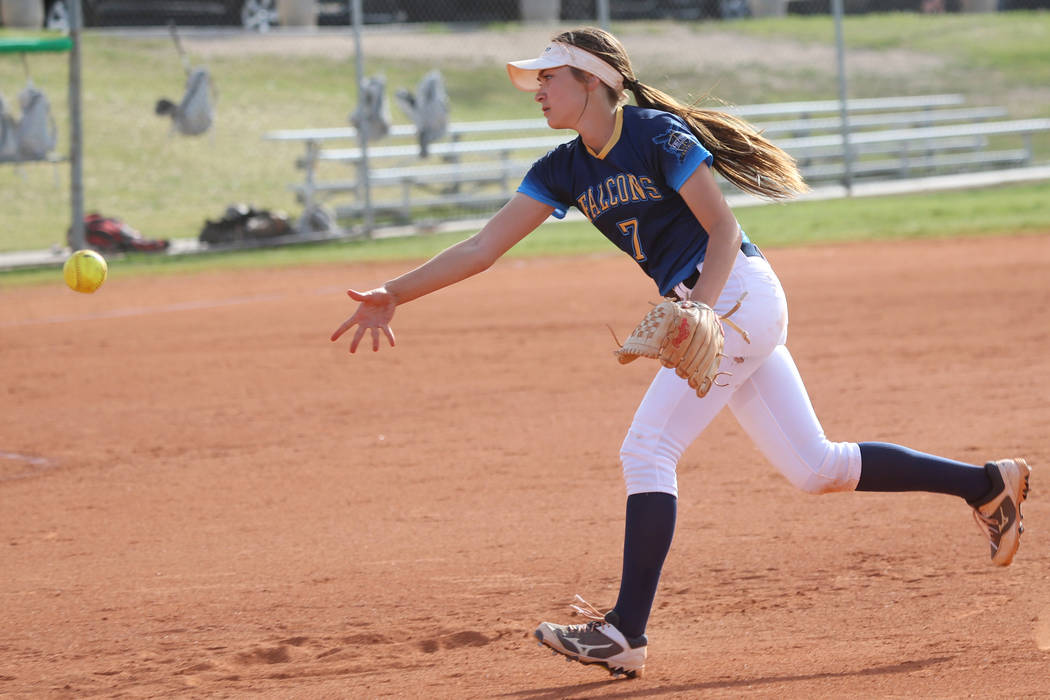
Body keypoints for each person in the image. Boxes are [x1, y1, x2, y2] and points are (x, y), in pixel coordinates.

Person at [330, 27, 1031, 679]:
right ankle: (985, 484)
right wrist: (396, 291)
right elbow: (483, 247)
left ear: (594, 81)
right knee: (815, 467)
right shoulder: (564, 167)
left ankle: (624, 633)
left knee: (647, 451)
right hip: (716, 308)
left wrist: (699, 307)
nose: (538, 89)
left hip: (738, 295)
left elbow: (722, 231)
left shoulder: (653, 134)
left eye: (550, 77)